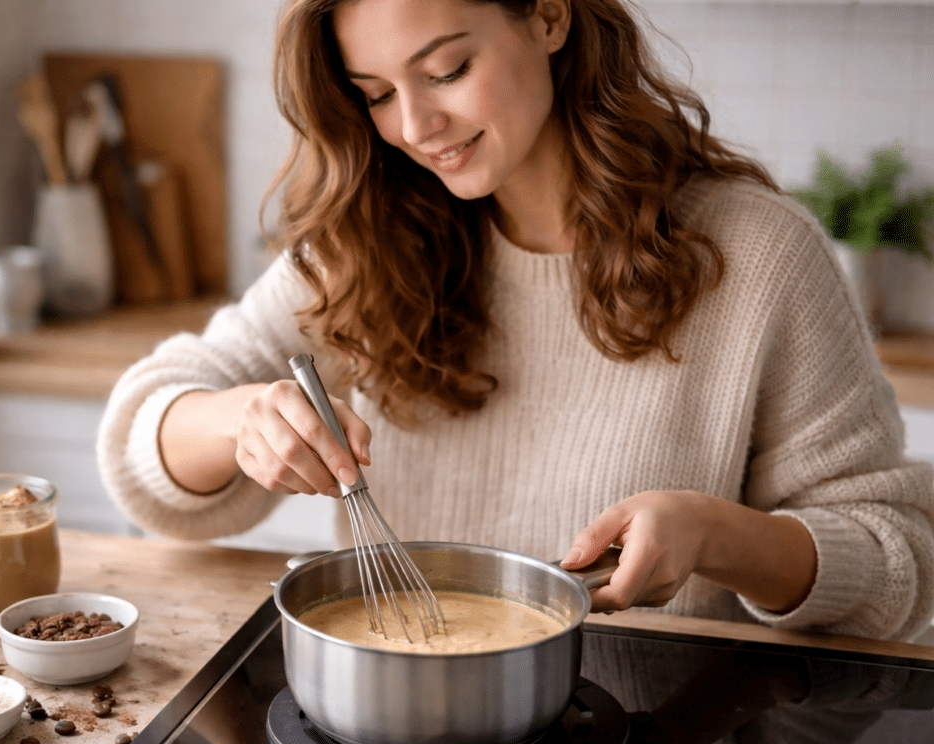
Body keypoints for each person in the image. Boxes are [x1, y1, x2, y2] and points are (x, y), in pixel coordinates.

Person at [97, 0, 934, 640]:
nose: (417, 129)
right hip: (404, 738)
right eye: (378, 95)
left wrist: (719, 536)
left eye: (448, 71)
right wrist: (239, 419)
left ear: (548, 15)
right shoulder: (371, 238)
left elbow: (901, 558)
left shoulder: (758, 256)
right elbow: (144, 438)